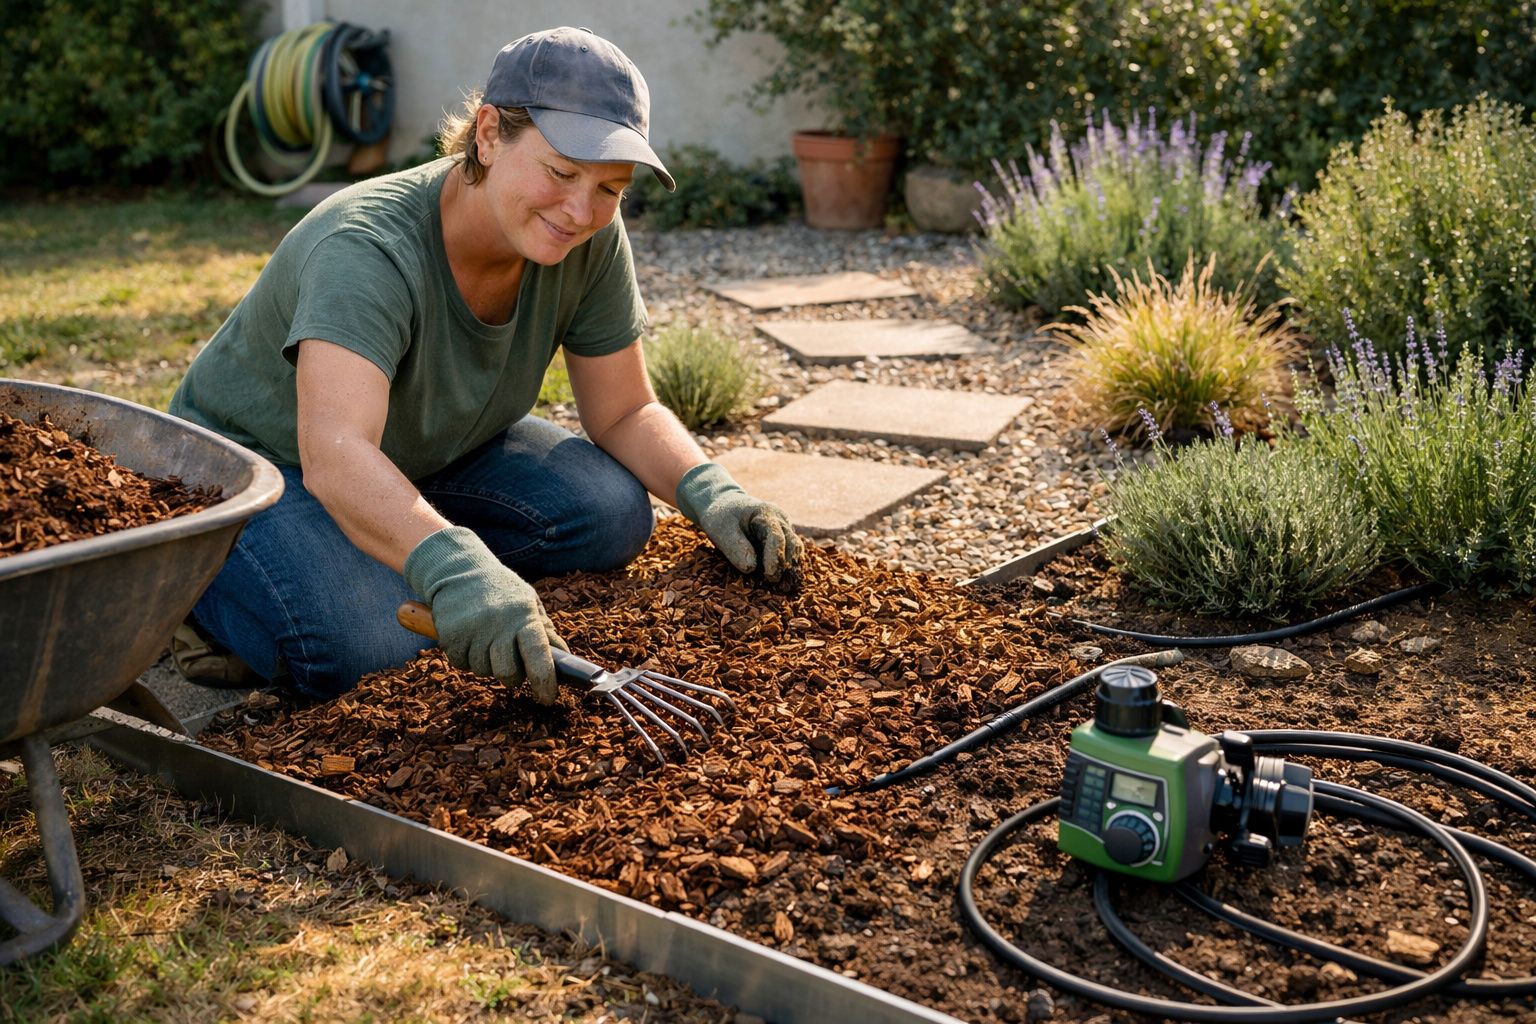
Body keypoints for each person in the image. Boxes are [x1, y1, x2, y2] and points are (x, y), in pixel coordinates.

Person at [168, 26, 803, 703]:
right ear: (490, 133)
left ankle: (385, 539)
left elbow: (624, 409)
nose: (581, 210)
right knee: (374, 647)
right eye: (561, 173)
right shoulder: (365, 247)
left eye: (610, 187)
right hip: (252, 472)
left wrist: (714, 492)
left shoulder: (589, 235)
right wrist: (459, 568)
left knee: (612, 512)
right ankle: (195, 595)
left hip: (424, 452)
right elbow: (335, 452)